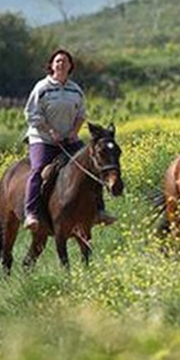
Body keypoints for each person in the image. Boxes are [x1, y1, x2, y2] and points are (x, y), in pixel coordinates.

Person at [23, 49, 117, 230]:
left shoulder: (75, 89)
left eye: (65, 61)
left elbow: (81, 114)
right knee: (37, 170)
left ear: (70, 66)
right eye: (57, 61)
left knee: (92, 164)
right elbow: (31, 114)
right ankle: (31, 213)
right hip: (42, 138)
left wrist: (74, 132)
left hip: (69, 138)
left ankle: (99, 210)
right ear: (51, 65)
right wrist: (51, 132)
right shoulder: (41, 88)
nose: (61, 64)